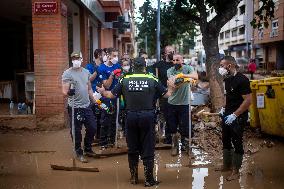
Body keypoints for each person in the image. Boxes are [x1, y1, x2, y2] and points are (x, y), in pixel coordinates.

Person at [97, 57, 175, 187]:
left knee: (132, 147)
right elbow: (167, 95)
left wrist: (102, 92)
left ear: (133, 66)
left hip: (130, 117)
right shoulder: (152, 78)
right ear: (145, 67)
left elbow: (111, 95)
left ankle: (133, 177)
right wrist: (171, 87)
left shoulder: (125, 79)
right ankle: (149, 179)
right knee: (148, 147)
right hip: (148, 117)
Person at [217, 55, 252, 181]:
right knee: (225, 139)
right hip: (228, 114)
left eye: (222, 66)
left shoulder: (242, 80)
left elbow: (248, 101)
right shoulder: (227, 79)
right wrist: (224, 108)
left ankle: (236, 170)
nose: (220, 68)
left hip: (238, 116)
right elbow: (227, 96)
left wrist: (235, 115)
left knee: (237, 142)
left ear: (229, 65)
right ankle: (227, 165)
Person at [62, 52, 98, 163]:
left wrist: (96, 101)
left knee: (93, 127)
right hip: (74, 107)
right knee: (76, 131)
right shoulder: (67, 73)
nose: (76, 60)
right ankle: (79, 151)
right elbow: (64, 91)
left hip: (86, 105)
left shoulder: (86, 72)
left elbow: (89, 89)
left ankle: (87, 147)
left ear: (82, 59)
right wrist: (69, 92)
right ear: (71, 60)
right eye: (74, 58)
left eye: (78, 58)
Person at [167, 53, 198, 156]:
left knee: (186, 126)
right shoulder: (170, 71)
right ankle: (175, 145)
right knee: (172, 126)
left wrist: (183, 76)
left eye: (177, 60)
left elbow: (195, 76)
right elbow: (173, 85)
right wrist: (185, 80)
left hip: (185, 103)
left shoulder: (188, 68)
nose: (175, 62)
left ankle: (187, 146)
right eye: (174, 60)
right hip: (172, 103)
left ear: (182, 59)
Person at [97, 48, 121, 148]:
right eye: (114, 56)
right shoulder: (101, 68)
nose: (116, 58)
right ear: (109, 56)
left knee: (114, 120)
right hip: (105, 98)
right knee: (105, 119)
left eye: (117, 55)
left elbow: (120, 79)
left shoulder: (118, 65)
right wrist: (112, 75)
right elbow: (106, 85)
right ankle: (103, 142)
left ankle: (112, 141)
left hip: (116, 97)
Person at [153, 46, 175, 144]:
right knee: (162, 115)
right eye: (170, 52)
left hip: (175, 94)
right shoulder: (158, 65)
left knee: (171, 116)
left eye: (173, 51)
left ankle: (169, 137)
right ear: (165, 53)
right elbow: (153, 78)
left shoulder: (176, 64)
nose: (172, 53)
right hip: (162, 95)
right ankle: (159, 134)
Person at [86, 49, 103, 142]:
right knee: (92, 115)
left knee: (101, 113)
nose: (104, 57)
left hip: (102, 93)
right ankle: (91, 136)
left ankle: (99, 136)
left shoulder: (104, 66)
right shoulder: (89, 66)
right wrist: (96, 71)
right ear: (99, 55)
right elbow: (89, 80)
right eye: (103, 55)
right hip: (92, 94)